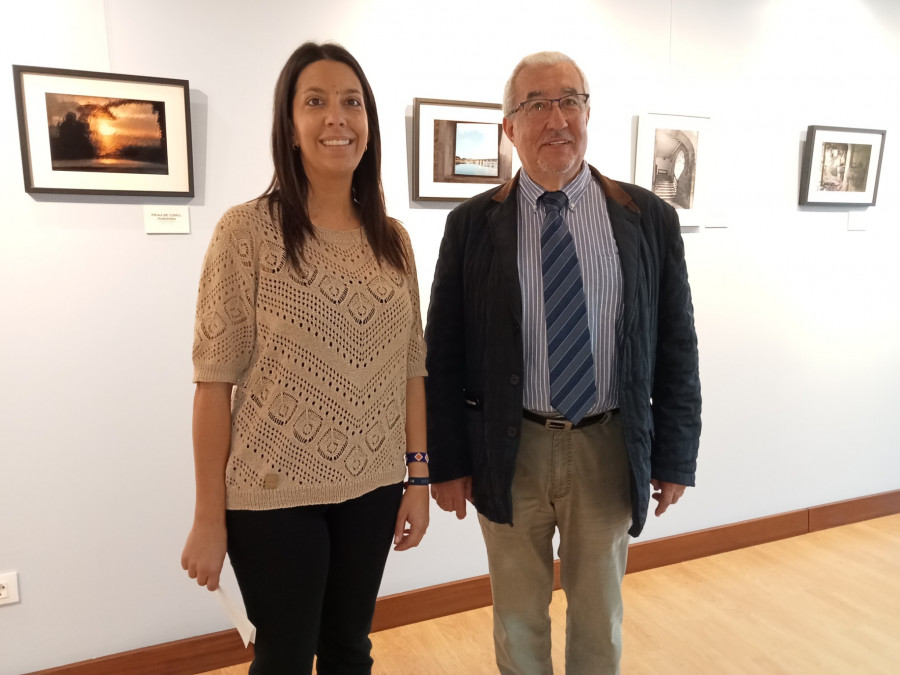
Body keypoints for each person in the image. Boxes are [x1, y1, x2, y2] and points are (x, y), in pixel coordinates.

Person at [425, 51, 701, 674]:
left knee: (599, 616)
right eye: (537, 104)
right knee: (517, 616)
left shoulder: (645, 217)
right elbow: (440, 354)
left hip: (606, 443)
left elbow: (676, 345)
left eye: (571, 101)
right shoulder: (472, 225)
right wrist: (446, 463)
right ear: (509, 127)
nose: (557, 119)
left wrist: (676, 454)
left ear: (587, 114)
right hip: (508, 445)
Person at [180, 42, 429, 674]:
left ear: (369, 126)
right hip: (271, 495)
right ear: (290, 126)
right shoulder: (247, 232)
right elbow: (213, 383)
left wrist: (418, 479)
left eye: (351, 102)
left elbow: (411, 369)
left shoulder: (392, 239)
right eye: (314, 102)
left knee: (350, 649)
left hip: (373, 486)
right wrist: (209, 517)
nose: (335, 118)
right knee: (285, 655)